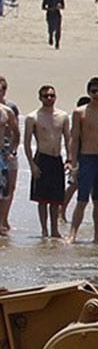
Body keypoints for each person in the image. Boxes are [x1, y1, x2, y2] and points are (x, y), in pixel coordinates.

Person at [68, 77, 98, 243]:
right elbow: (74, 139)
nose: (96, 94)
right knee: (82, 199)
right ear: (88, 92)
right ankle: (72, 234)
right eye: (93, 91)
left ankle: (97, 237)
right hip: (87, 158)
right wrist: (73, 163)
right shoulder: (79, 112)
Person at [26, 86, 68, 238]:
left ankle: (54, 230)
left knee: (56, 199)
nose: (49, 98)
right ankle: (44, 230)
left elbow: (68, 139)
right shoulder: (33, 117)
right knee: (42, 199)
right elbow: (26, 143)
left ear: (55, 97)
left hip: (57, 158)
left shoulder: (62, 116)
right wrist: (32, 165)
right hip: (42, 158)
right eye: (45, 96)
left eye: (51, 95)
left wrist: (69, 160)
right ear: (40, 98)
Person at [0, 77, 20, 233]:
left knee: (8, 187)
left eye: (3, 89)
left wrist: (12, 150)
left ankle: (3, 219)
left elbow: (16, 132)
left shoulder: (9, 109)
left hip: (5, 152)